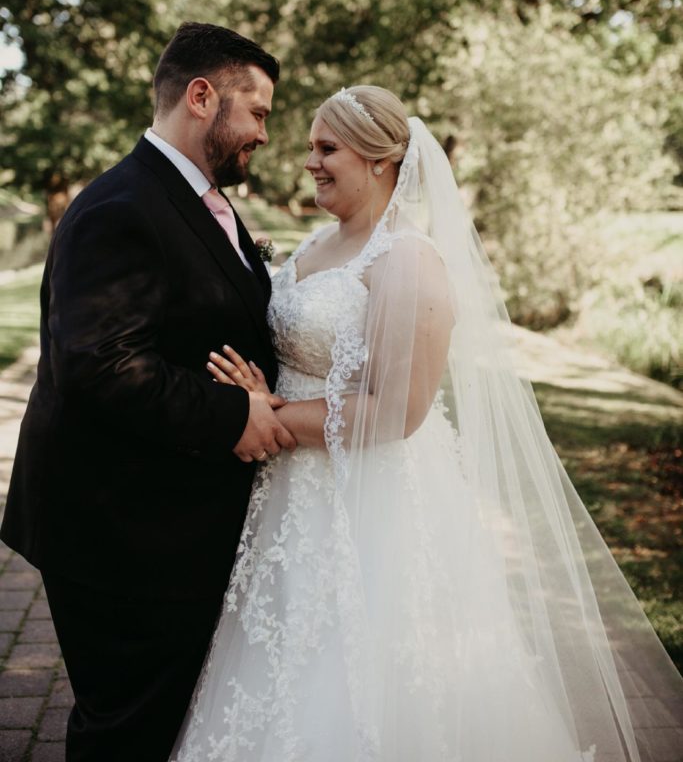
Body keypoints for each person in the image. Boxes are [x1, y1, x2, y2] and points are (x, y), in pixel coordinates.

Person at [172, 85, 683, 762]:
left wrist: (266, 414)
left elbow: (396, 411)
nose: (309, 163)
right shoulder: (319, 242)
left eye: (327, 149)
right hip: (290, 494)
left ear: (381, 160)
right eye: (308, 148)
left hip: (369, 502)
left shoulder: (408, 261)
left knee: (371, 680)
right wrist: (262, 392)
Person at [0, 22, 296, 762]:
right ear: (202, 97)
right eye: (256, 112)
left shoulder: (193, 201)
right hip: (117, 532)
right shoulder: (120, 208)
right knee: (127, 730)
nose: (263, 133)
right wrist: (236, 415)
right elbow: (99, 363)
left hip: (160, 517)